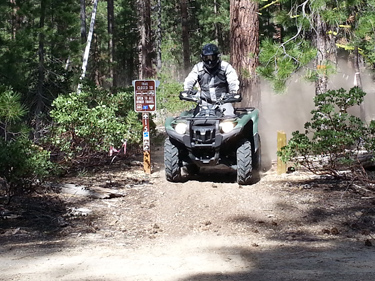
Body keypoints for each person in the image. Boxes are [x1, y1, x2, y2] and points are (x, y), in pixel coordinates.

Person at [183, 43, 240, 115]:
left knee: (230, 118)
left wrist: (233, 92)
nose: (209, 61)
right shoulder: (198, 67)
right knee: (193, 120)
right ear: (202, 57)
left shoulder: (225, 67)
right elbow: (190, 79)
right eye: (206, 58)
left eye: (212, 57)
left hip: (223, 102)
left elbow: (233, 80)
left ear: (217, 56)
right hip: (204, 102)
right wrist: (187, 90)